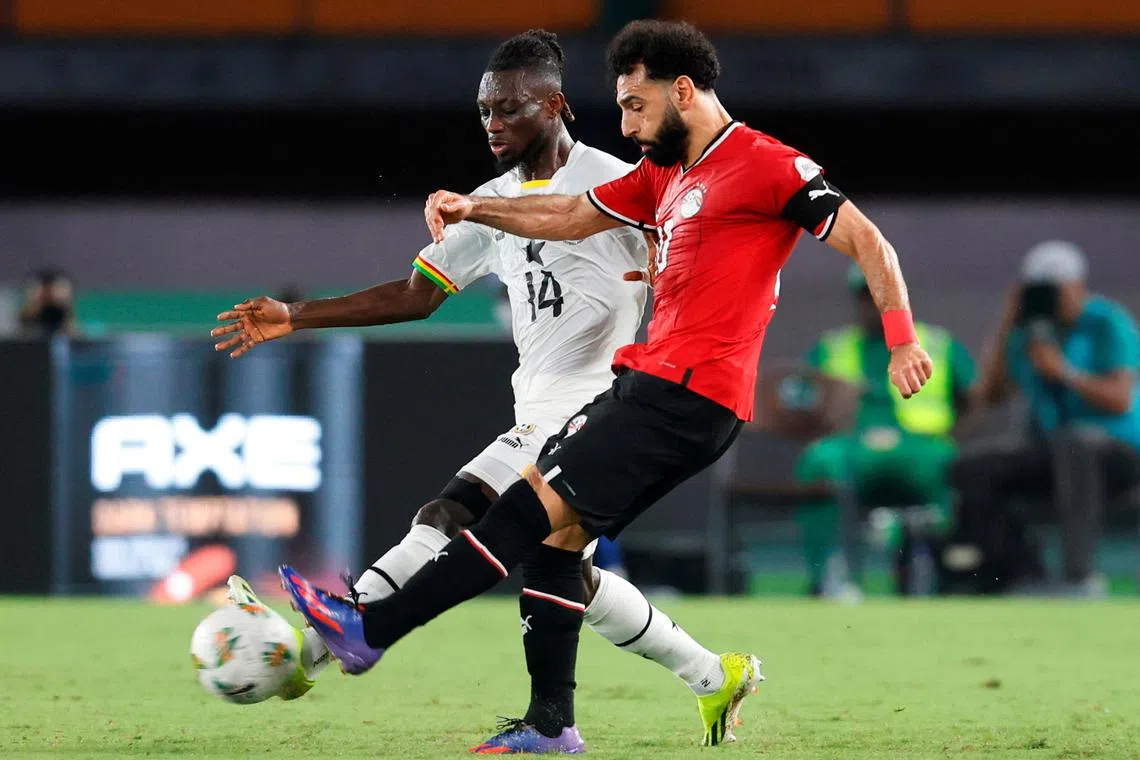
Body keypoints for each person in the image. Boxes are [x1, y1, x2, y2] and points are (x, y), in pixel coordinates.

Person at [278, 19, 931, 750]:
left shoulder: (764, 164)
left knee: (511, 516)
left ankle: (368, 630)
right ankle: (555, 723)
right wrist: (476, 207)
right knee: (557, 545)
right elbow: (567, 214)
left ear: (682, 91)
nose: (625, 121)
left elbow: (869, 240)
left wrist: (901, 342)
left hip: (682, 394)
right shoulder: (664, 177)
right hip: (657, 390)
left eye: (635, 104)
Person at [212, 30, 760, 752]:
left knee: (448, 512)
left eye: (508, 108)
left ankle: (325, 642)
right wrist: (297, 316)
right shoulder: (488, 205)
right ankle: (707, 675)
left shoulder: (618, 182)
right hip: (535, 405)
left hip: (595, 403)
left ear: (555, 105)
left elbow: (684, 261)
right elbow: (416, 294)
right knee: (567, 572)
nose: (493, 124)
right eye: (483, 112)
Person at [952, 240, 1140, 595]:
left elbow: (1119, 399)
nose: (1049, 299)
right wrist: (1008, 321)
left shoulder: (1107, 323)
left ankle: (1079, 578)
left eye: (1054, 290)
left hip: (1116, 453)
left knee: (1077, 444)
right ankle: (1019, 576)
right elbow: (989, 395)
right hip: (1054, 451)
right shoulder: (1028, 334)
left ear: (1077, 286)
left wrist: (1065, 372)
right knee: (974, 467)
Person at [796, 263, 975, 598]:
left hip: (918, 448)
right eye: (867, 296)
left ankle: (941, 567)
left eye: (884, 295)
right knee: (820, 461)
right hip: (850, 449)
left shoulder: (937, 344)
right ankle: (831, 574)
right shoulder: (833, 347)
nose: (876, 304)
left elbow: (972, 397)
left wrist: (952, 434)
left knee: (950, 463)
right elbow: (803, 402)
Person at [19, 268, 79, 337]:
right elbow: (23, 333)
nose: (49, 297)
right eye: (45, 293)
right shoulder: (28, 314)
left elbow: (74, 334)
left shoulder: (67, 313)